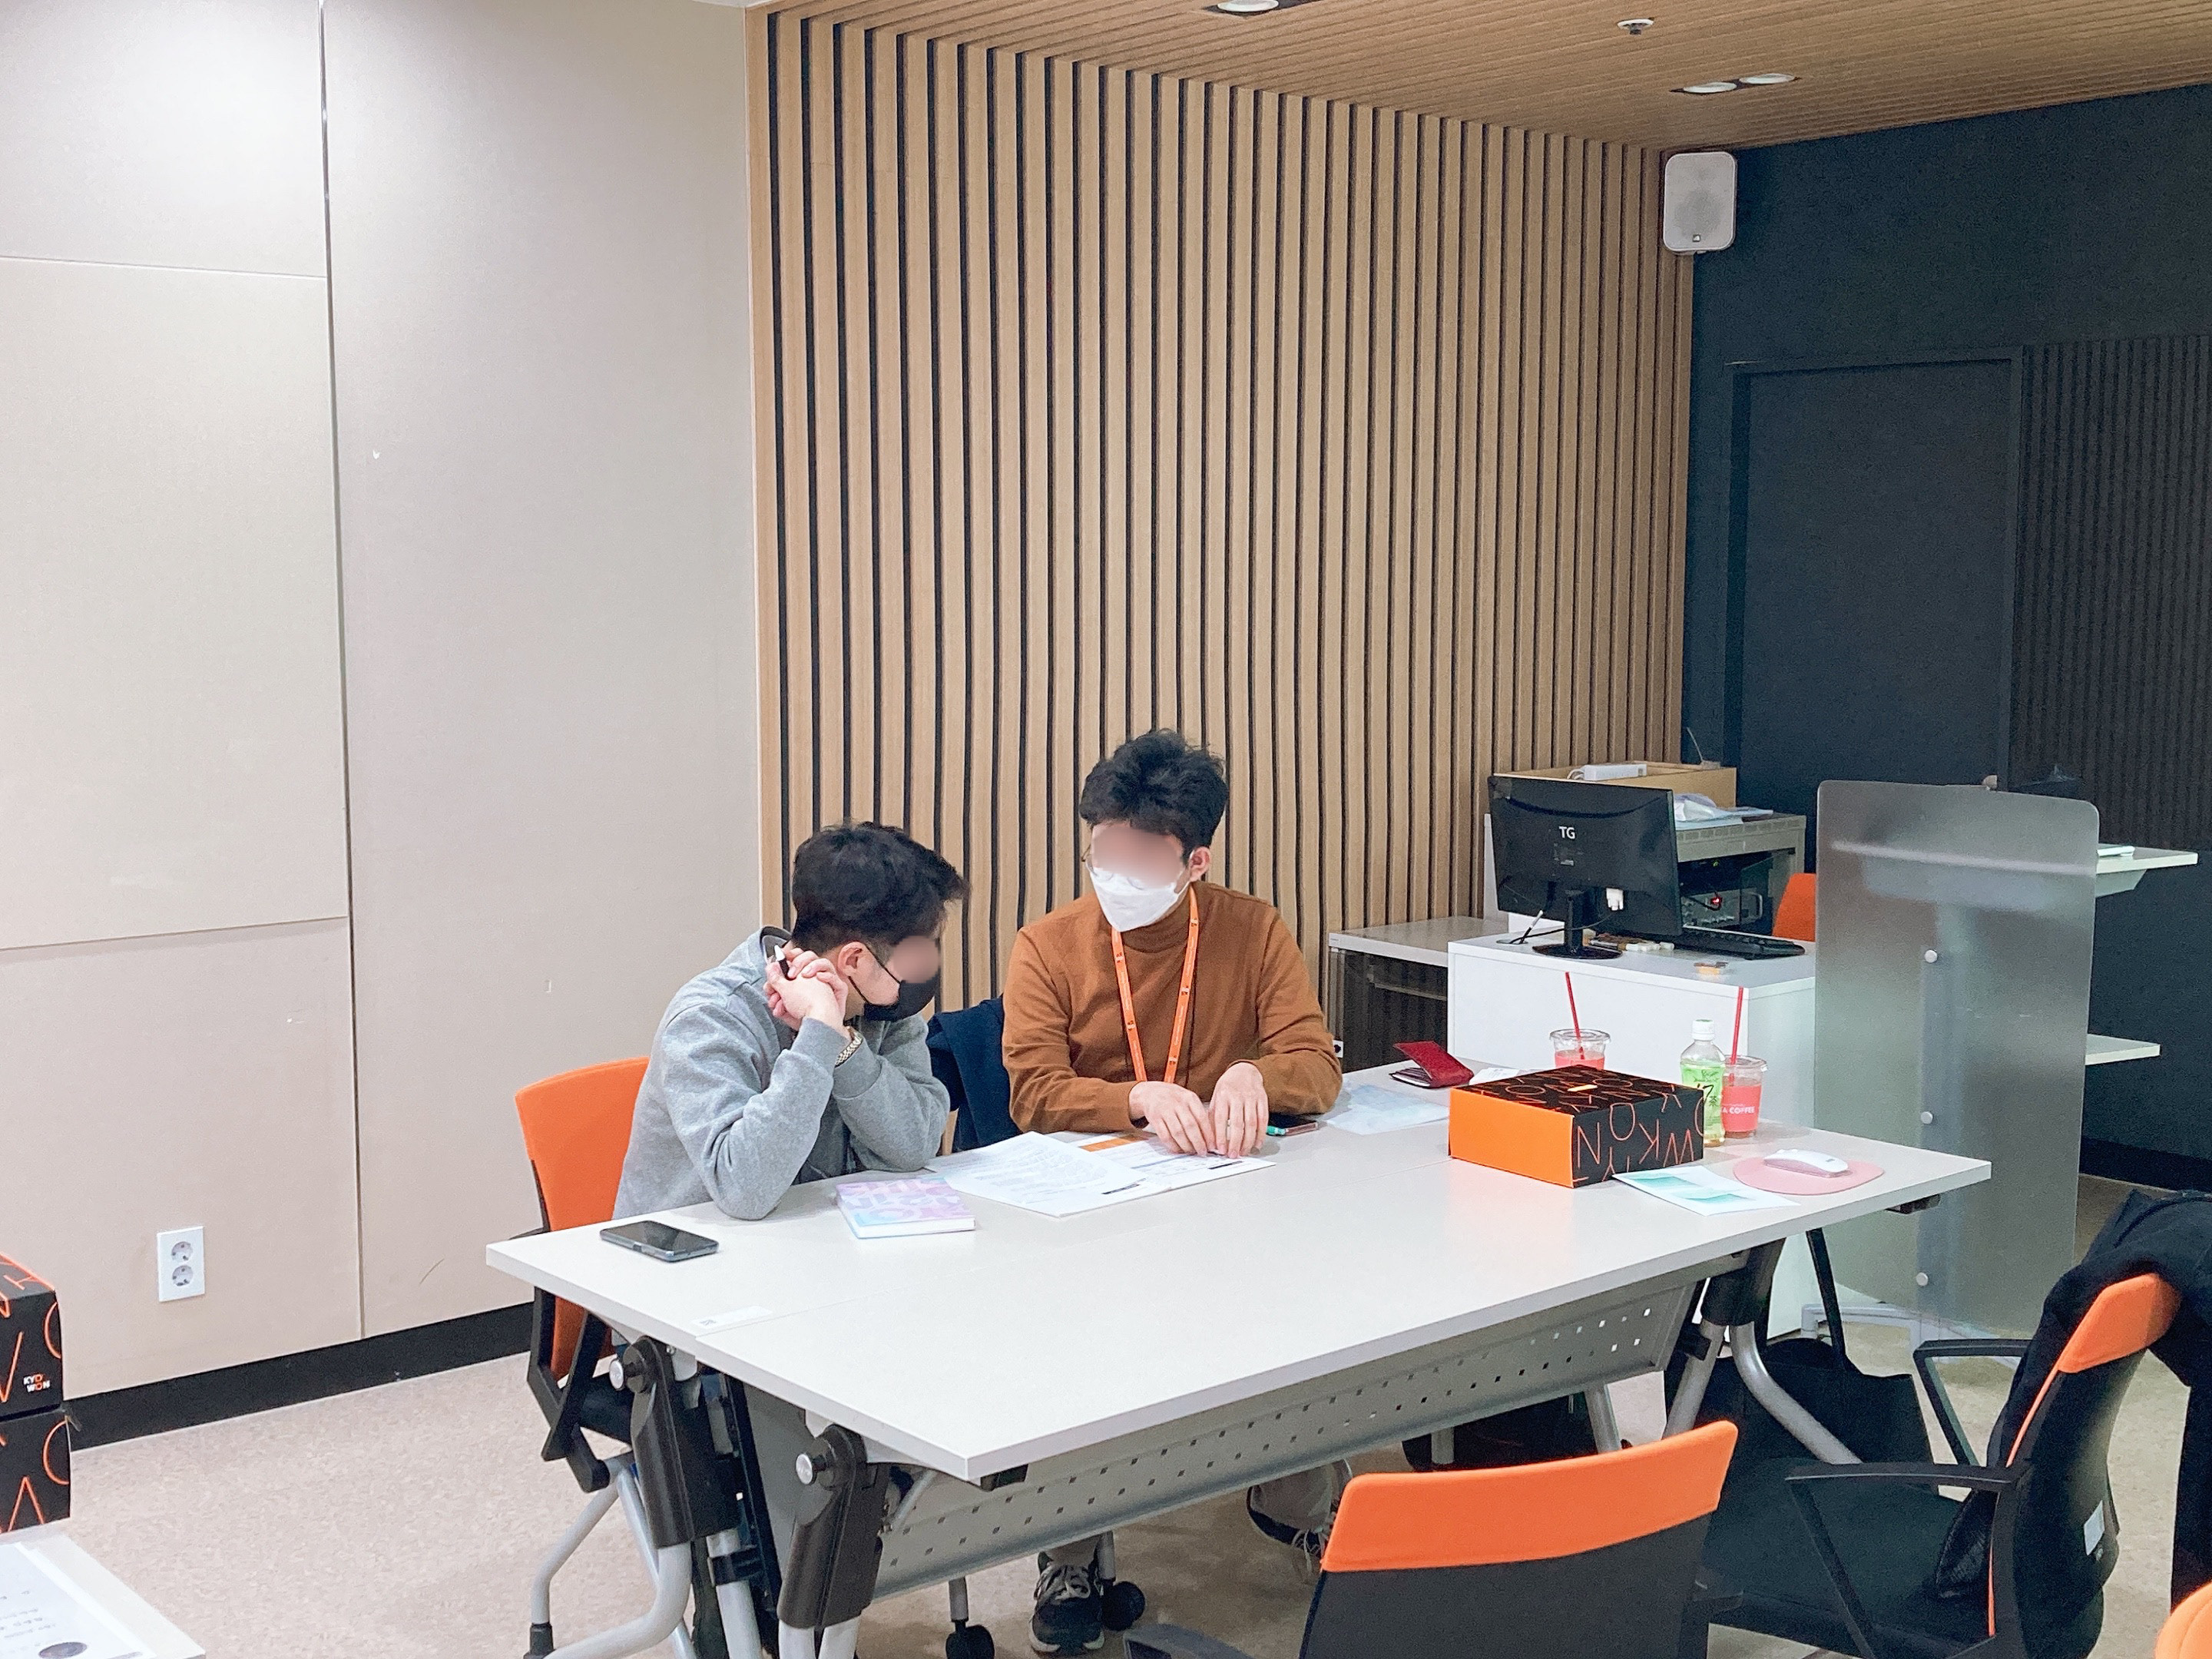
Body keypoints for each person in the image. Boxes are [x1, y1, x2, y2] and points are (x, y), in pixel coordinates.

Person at [1001, 730, 1344, 1656]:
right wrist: (1135, 1098)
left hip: (1227, 1196)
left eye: (1138, 857)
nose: (1114, 872)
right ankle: (1069, 1551)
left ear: (1195, 862)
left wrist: (1256, 1076)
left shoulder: (1251, 929)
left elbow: (1315, 1063)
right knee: (1082, 1351)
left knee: (1310, 1303)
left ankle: (1300, 1499)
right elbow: (1032, 1091)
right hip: (1097, 1207)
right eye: (1101, 850)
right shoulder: (1050, 945)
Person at [614, 822, 965, 1223]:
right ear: (854, 959)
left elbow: (913, 1145)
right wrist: (819, 1033)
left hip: (819, 1239)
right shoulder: (711, 1016)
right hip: (697, 1249)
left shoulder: (882, 1009)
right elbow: (744, 1191)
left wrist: (844, 1044)